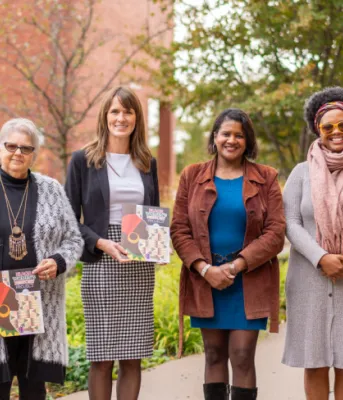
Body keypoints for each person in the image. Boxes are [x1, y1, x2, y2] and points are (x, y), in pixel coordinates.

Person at [171, 108, 285, 400]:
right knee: (213, 354)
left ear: (248, 141)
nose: (232, 140)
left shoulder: (266, 177)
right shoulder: (192, 176)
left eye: (239, 135)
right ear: (215, 137)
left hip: (249, 280)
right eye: (226, 133)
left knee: (243, 354)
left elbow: (275, 233)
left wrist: (235, 267)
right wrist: (205, 270)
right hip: (206, 281)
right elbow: (179, 230)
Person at [65, 86, 159, 400]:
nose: (121, 118)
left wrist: (155, 243)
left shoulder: (147, 161)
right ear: (105, 116)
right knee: (102, 355)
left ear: (137, 118)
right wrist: (101, 243)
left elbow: (151, 212)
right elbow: (68, 218)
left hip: (137, 260)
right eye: (115, 111)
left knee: (133, 354)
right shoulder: (83, 160)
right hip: (101, 258)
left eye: (128, 112)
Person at [0, 118, 83, 399]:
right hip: (0, 302)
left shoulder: (51, 190)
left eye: (26, 147)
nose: (18, 153)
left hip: (38, 304)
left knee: (33, 385)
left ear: (34, 152)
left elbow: (74, 239)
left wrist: (59, 261)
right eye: (11, 145)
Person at [282, 86, 343, 399]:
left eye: (342, 125)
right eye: (328, 127)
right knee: (315, 361)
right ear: (318, 131)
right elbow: (289, 223)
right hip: (309, 278)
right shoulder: (301, 173)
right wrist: (322, 257)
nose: (336, 132)